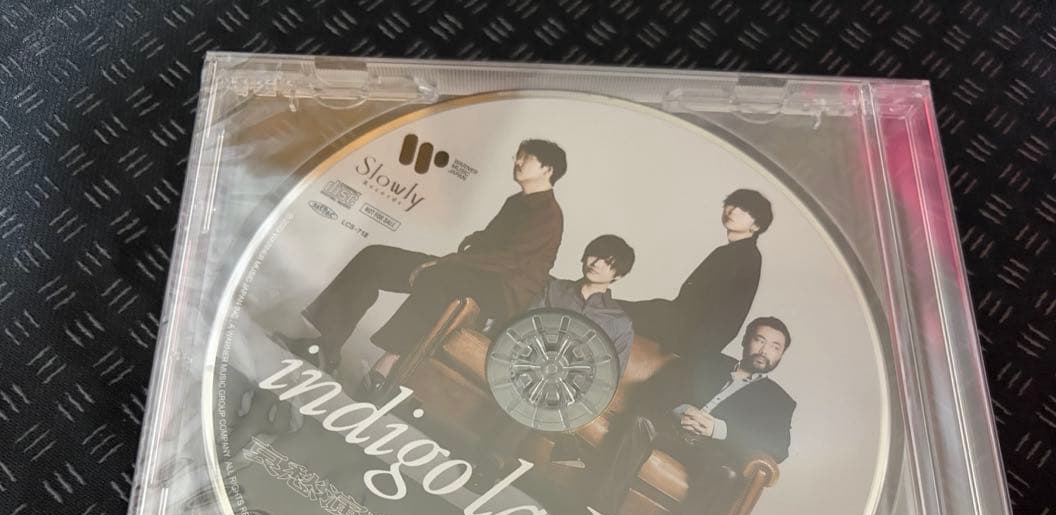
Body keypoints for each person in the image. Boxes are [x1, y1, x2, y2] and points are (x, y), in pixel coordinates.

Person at [278, 139, 566, 382]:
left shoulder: (548, 215)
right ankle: (326, 348)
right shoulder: (517, 202)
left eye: (526, 157)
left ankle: (387, 365)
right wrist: (465, 248)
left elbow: (510, 261)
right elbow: (487, 248)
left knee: (437, 277)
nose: (517, 161)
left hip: (499, 291)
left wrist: (447, 263)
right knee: (374, 257)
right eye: (518, 155)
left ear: (547, 169)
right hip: (471, 271)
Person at [588, 316, 796, 515]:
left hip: (712, 452)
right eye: (759, 340)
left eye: (774, 347)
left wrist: (719, 429)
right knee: (638, 423)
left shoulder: (779, 401)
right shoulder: (709, 361)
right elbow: (656, 388)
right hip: (669, 428)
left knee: (728, 476)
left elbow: (778, 446)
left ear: (781, 355)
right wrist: (681, 409)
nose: (764, 350)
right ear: (746, 341)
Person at [474, 234, 636, 480]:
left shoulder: (619, 322)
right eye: (595, 255)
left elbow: (611, 375)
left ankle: (492, 460)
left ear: (618, 275)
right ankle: (497, 460)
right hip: (533, 361)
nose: (596, 263)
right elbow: (524, 328)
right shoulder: (555, 289)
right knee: (544, 379)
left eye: (608, 262)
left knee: (548, 385)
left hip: (570, 385)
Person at [622, 188, 772, 356]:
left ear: (756, 225)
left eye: (744, 210)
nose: (733, 211)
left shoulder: (746, 256)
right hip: (679, 324)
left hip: (685, 336)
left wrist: (692, 353)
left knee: (613, 310)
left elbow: (729, 318)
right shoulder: (734, 251)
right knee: (614, 307)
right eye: (732, 204)